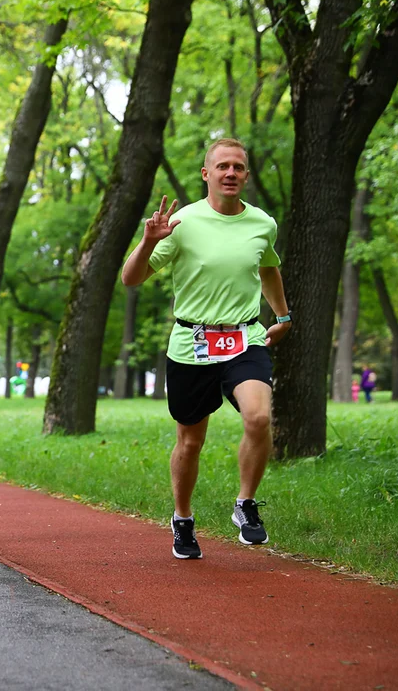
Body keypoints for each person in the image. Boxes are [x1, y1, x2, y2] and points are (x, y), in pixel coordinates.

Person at [121, 138, 292, 560]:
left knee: (258, 415)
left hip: (244, 336)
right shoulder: (182, 222)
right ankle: (182, 519)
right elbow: (131, 278)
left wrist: (283, 317)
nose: (230, 173)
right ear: (206, 173)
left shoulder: (262, 223)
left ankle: (245, 504)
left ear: (246, 176)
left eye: (238, 167)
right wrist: (148, 241)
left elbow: (268, 267)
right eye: (222, 167)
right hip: (191, 341)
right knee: (190, 441)